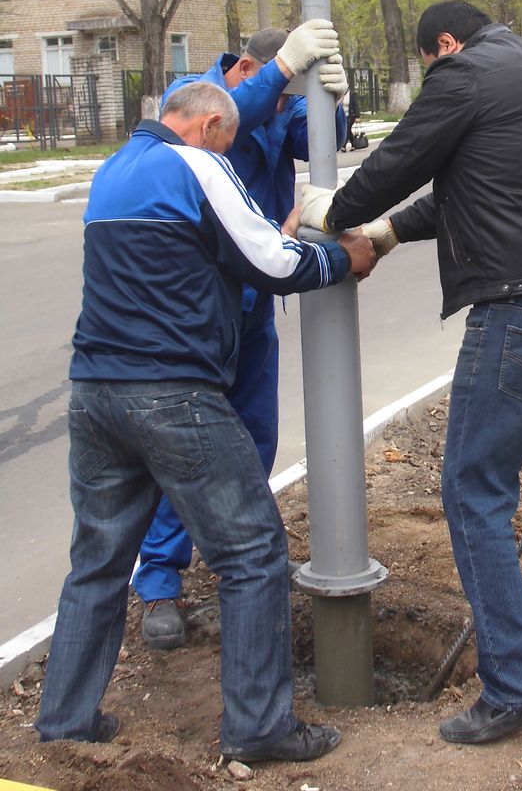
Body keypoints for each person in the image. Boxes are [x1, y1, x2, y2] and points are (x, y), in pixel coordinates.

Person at [298, 1, 522, 744]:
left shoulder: (463, 76)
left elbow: (396, 164)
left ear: (445, 45)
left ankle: (512, 686)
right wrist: (389, 231)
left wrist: (337, 211)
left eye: (428, 61)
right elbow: (472, 186)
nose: (430, 74)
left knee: (472, 491)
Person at [35, 81, 375, 762]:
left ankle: (66, 723)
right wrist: (344, 259)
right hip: (172, 393)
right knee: (252, 553)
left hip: (97, 391)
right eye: (229, 139)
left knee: (97, 562)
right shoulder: (196, 164)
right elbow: (272, 265)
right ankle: (259, 728)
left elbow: (182, 258)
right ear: (212, 123)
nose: (233, 150)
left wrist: (260, 240)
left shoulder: (116, 170)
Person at [134, 21, 349, 650]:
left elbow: (325, 143)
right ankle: (159, 585)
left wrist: (334, 101)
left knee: (255, 434)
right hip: (201, 308)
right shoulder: (194, 95)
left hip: (256, 302)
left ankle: (248, 560)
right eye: (279, 86)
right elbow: (235, 120)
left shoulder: (280, 97)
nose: (285, 106)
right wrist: (285, 73)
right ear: (250, 69)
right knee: (182, 446)